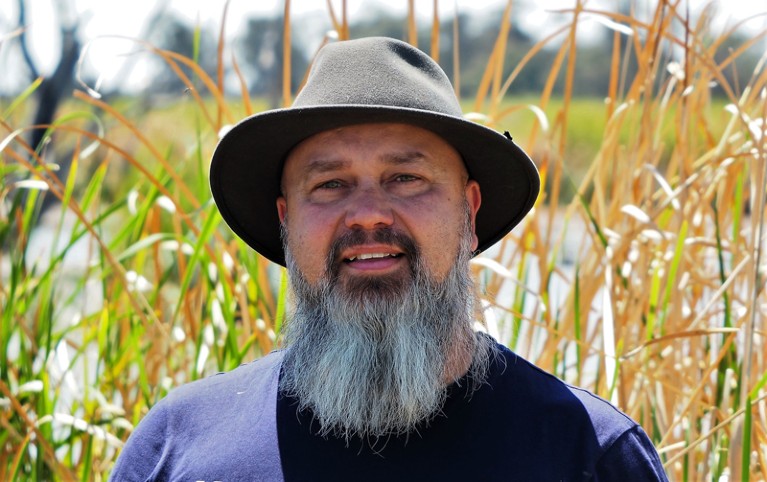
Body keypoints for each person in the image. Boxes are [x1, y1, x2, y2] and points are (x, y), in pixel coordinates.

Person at [110, 37, 668, 481]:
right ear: (286, 221)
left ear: (469, 213)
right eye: (330, 184)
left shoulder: (587, 453)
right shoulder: (177, 448)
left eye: (406, 177)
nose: (368, 215)